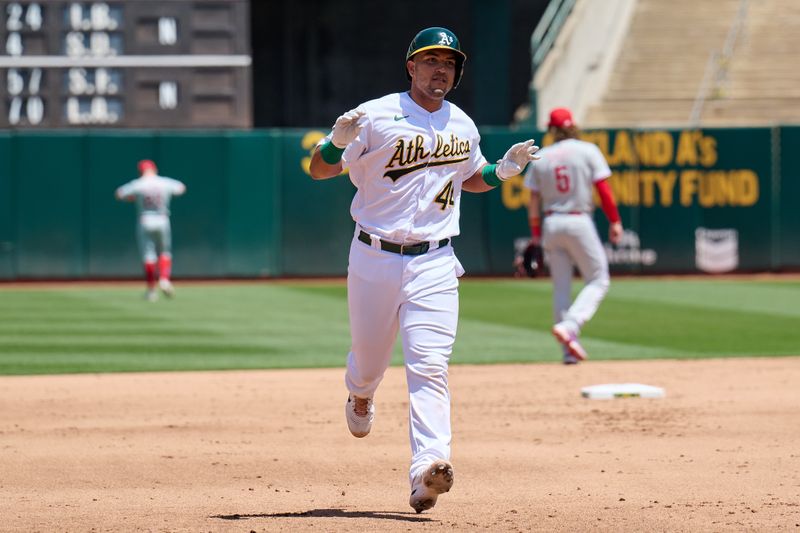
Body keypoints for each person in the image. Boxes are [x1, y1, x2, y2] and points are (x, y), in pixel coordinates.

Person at [309, 27, 539, 513]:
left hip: (435, 260)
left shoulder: (463, 124)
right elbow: (320, 170)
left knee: (429, 365)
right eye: (431, 60)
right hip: (374, 255)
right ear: (410, 67)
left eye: (450, 63)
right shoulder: (374, 115)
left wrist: (501, 173)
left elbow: (470, 177)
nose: (441, 69)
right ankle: (360, 395)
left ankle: (427, 469)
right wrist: (334, 144)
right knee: (369, 362)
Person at [522, 107, 622, 364]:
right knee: (599, 279)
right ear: (573, 125)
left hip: (552, 223)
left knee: (561, 287)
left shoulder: (541, 156)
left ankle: (568, 351)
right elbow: (603, 189)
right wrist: (615, 221)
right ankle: (571, 326)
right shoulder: (587, 150)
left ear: (551, 130)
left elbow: (533, 200)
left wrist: (535, 236)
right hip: (578, 220)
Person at [115, 160, 186, 302]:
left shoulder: (138, 184)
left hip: (145, 219)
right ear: (155, 169)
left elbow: (119, 193)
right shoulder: (164, 182)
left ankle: (151, 291)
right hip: (162, 218)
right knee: (165, 251)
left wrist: (134, 198)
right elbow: (181, 188)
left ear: (140, 171)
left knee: (148, 255)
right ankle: (164, 280)